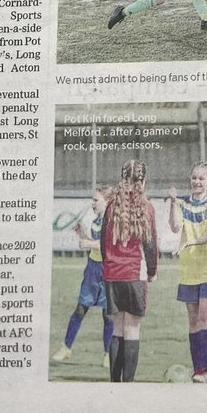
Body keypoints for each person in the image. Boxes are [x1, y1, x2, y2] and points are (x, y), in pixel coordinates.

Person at [100, 159, 158, 382]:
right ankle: (128, 384)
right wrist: (152, 271)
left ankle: (114, 382)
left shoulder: (112, 207)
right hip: (135, 273)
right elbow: (151, 246)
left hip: (113, 274)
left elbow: (104, 243)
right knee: (132, 328)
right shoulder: (146, 207)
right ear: (142, 181)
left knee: (117, 328)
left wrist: (109, 265)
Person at [168, 161, 207, 383]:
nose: (197, 182)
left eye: (201, 178)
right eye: (194, 178)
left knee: (204, 316)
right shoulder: (183, 204)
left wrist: (190, 243)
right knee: (192, 320)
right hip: (188, 270)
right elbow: (174, 226)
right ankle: (197, 369)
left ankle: (205, 370)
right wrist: (173, 202)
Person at [51, 186, 114, 366]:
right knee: (80, 309)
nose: (92, 203)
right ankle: (66, 348)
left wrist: (89, 243)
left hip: (108, 272)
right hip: (92, 271)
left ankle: (108, 354)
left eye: (96, 200)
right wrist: (81, 233)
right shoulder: (96, 221)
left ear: (107, 202)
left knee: (108, 315)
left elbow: (108, 247)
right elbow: (94, 244)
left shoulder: (112, 222)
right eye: (92, 200)